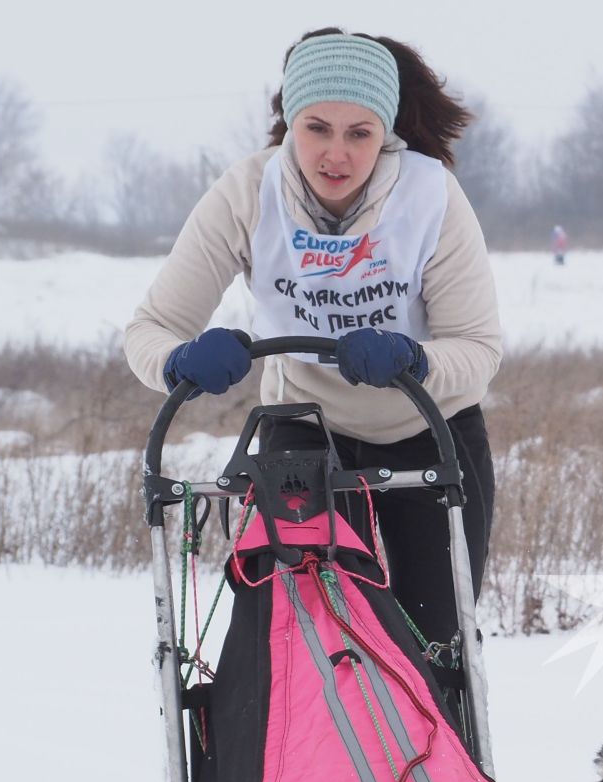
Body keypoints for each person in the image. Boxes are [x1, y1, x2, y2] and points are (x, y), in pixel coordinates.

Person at [124, 27, 502, 659]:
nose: (336, 153)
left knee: (436, 644)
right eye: (317, 127)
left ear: (386, 135)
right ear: (288, 123)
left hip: (431, 427)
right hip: (305, 428)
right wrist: (178, 361)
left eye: (360, 133)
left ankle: (441, 750)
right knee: (318, 647)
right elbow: (148, 329)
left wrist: (414, 358)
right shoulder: (248, 194)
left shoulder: (429, 197)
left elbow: (479, 350)